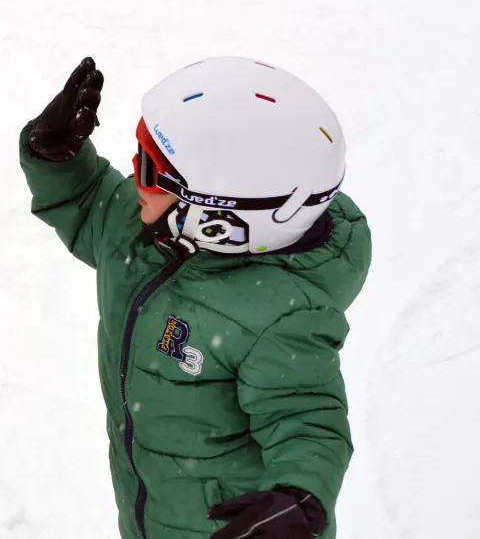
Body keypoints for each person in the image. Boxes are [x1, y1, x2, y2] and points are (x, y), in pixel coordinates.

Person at [19, 57, 370, 539]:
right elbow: (89, 206)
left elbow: (308, 419)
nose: (133, 175)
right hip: (151, 512)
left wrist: (299, 496)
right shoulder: (150, 231)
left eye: (149, 168)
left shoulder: (278, 317)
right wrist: (57, 157)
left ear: (219, 217)